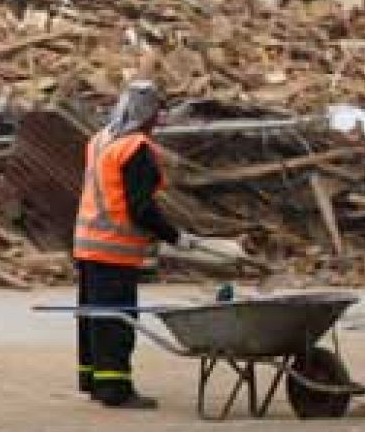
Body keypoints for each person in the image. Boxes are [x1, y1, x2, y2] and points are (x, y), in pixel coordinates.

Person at [73, 81, 245, 409]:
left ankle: (95, 381)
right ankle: (115, 390)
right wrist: (174, 236)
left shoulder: (100, 140)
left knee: (94, 318)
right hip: (113, 249)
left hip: (87, 244)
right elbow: (141, 208)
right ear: (149, 116)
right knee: (117, 320)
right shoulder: (136, 148)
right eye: (157, 115)